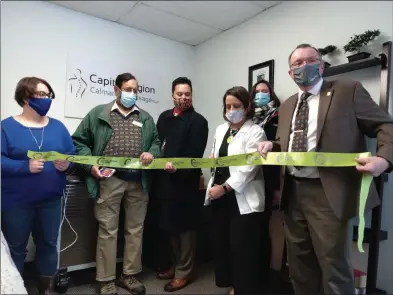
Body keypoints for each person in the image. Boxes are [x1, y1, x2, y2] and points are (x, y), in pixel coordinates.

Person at [257, 43, 393, 295]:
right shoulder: (286, 106)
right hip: (293, 192)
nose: (304, 66)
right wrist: (271, 144)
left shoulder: (347, 90)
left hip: (328, 192)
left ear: (321, 65)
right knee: (299, 267)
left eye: (310, 60)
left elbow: (385, 126)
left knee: (334, 267)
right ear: (290, 73)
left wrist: (383, 160)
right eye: (297, 63)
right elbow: (288, 144)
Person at [72, 73, 161, 295]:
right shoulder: (98, 114)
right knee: (108, 231)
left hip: (138, 182)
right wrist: (90, 165)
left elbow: (156, 143)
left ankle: (129, 275)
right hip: (109, 180)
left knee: (135, 231)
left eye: (135, 90)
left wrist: (151, 153)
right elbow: (79, 142)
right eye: (128, 89)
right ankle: (106, 280)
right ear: (116, 90)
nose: (132, 94)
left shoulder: (146, 117)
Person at [1, 76, 75, 294]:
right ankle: (15, 289)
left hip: (51, 200)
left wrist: (66, 165)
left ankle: (46, 289)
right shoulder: (6, 127)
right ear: (25, 97)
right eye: (42, 95)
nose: (47, 99)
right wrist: (25, 167)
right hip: (16, 202)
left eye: (48, 95)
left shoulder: (58, 127)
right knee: (16, 248)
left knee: (49, 244)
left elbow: (72, 156)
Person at [205, 86, 268, 295]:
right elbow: (215, 158)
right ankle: (231, 285)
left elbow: (249, 168)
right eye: (228, 106)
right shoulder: (221, 130)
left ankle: (243, 289)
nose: (231, 110)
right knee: (221, 245)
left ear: (247, 106)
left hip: (242, 198)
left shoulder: (256, 131)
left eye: (236, 106)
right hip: (219, 197)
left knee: (242, 249)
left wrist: (224, 188)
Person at [153, 77, 208, 292]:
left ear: (191, 95)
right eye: (179, 94)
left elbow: (194, 154)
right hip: (163, 182)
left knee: (185, 229)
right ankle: (175, 266)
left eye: (187, 94)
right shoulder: (164, 118)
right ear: (172, 95)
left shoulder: (198, 121)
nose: (183, 97)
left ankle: (184, 272)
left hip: (185, 183)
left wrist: (178, 168)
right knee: (169, 226)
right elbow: (157, 144)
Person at [250, 80, 282, 292]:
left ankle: (265, 279)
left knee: (266, 232)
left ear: (271, 94)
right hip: (249, 180)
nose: (261, 95)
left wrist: (278, 188)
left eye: (265, 91)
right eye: (257, 92)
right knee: (251, 231)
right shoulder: (248, 118)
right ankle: (250, 276)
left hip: (270, 181)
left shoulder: (278, 117)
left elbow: (281, 151)